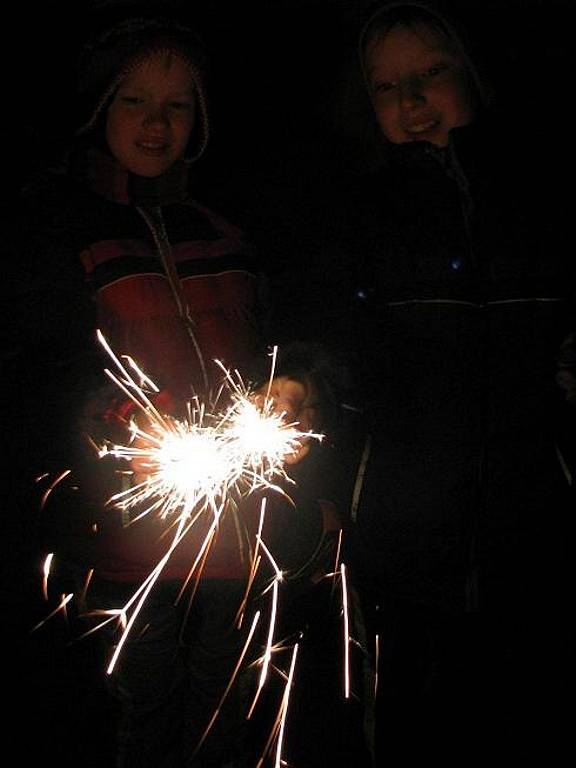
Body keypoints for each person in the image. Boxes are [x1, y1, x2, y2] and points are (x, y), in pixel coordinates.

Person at [7, 13, 340, 768]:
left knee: (227, 718)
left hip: (238, 540)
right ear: (99, 109)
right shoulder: (61, 233)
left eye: (177, 105)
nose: (157, 124)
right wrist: (126, 424)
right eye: (135, 102)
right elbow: (51, 377)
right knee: (136, 718)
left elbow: (283, 346)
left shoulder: (227, 233)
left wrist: (293, 393)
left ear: (202, 118)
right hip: (125, 548)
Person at [309, 1, 574, 764]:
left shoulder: (542, 196)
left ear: (474, 72)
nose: (411, 101)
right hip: (405, 529)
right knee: (412, 716)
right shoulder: (364, 214)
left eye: (430, 74)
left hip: (534, 520)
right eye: (387, 86)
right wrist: (308, 388)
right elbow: (338, 345)